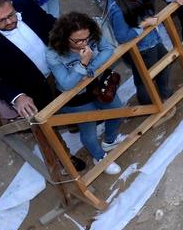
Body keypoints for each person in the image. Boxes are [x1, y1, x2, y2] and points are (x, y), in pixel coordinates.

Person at [46, 13, 126, 174]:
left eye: (87, 38)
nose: (84, 43)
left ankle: (110, 140)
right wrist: (83, 63)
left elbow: (107, 49)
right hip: (76, 98)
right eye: (78, 41)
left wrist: (91, 67)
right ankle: (100, 157)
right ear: (64, 38)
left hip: (97, 85)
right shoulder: (53, 54)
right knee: (88, 130)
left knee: (117, 111)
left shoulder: (91, 33)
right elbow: (66, 83)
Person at [105, 0, 173, 105]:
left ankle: (163, 94)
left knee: (163, 63)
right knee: (144, 78)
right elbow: (122, 36)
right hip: (143, 49)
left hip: (151, 41)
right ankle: (150, 104)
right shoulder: (117, 10)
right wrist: (143, 25)